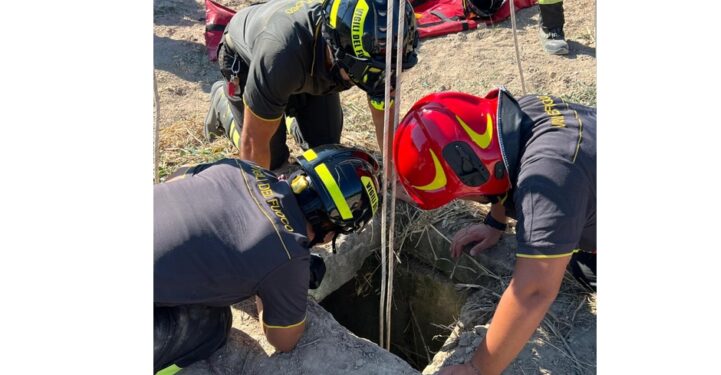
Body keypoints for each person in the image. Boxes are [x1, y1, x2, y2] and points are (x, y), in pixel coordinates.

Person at [393, 87, 595, 374]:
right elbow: (501, 171)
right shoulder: (516, 121)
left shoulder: (549, 184)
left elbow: (534, 292)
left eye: (460, 194)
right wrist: (496, 221)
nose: (463, 199)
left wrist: (478, 368)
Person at [153, 145, 381, 374]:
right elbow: (284, 340)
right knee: (214, 323)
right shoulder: (287, 254)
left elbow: (178, 177)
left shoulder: (242, 169)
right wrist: (272, 284)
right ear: (330, 232)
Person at [203, 0, 420, 171]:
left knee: (326, 152)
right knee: (274, 163)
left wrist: (397, 177)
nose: (382, 80)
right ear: (339, 50)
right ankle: (223, 102)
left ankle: (284, 111)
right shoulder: (280, 57)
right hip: (245, 61)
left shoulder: (380, 54)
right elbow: (253, 144)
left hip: (302, 67)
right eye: (371, 74)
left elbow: (386, 120)